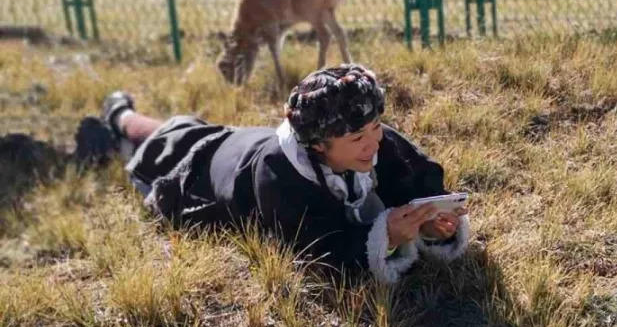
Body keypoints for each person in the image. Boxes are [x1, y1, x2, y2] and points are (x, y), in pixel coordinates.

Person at [84, 63, 469, 283]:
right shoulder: (280, 177)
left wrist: (431, 221)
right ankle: (118, 116)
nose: (373, 143)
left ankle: (119, 122)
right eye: (357, 138)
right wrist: (386, 238)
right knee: (169, 140)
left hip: (241, 140)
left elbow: (412, 179)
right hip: (210, 168)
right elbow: (319, 251)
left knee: (189, 129)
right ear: (319, 144)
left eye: (375, 129)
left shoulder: (366, 132)